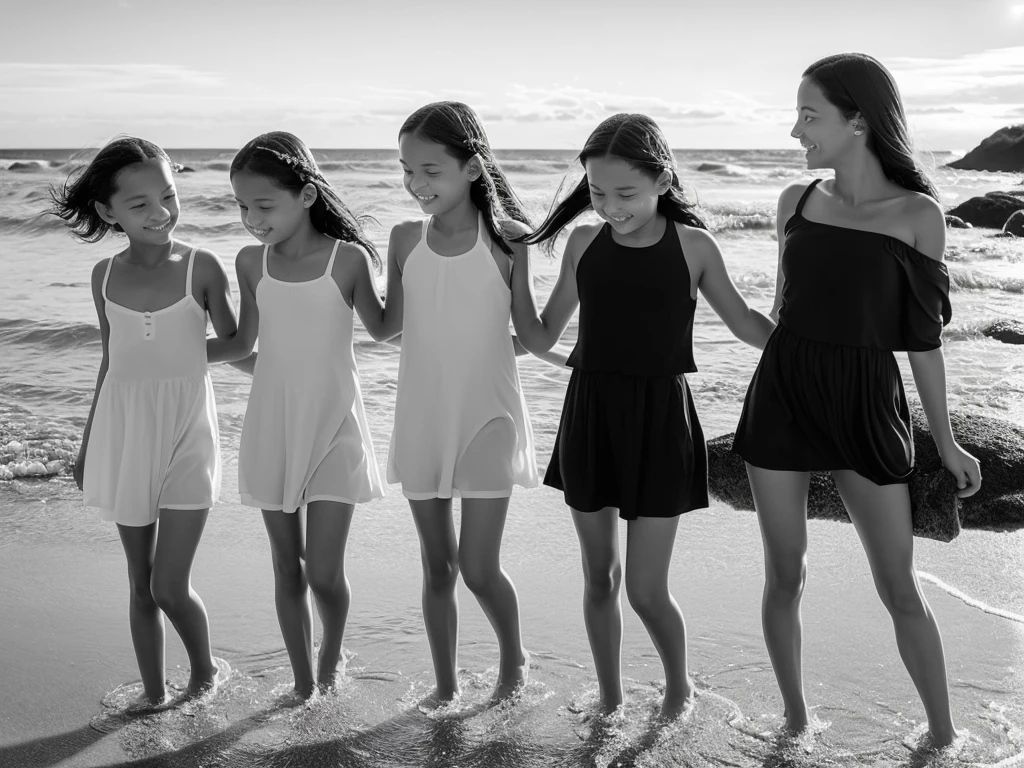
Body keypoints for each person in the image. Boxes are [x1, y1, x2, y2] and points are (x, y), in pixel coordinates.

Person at [732, 53, 981, 747]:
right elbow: (781, 316)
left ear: (859, 120)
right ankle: (796, 721)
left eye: (809, 115)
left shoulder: (917, 215)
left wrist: (947, 439)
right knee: (784, 572)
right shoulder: (796, 202)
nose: (795, 130)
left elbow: (922, 342)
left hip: (867, 402)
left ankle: (942, 734)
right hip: (783, 395)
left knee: (898, 583)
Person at [512, 113, 775, 720]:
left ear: (662, 178)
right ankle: (611, 699)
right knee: (599, 576)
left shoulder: (694, 246)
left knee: (646, 589)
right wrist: (519, 264)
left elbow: (748, 326)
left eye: (625, 193)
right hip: (590, 415)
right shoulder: (582, 243)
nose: (609, 207)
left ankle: (678, 689)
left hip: (662, 423)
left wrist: (818, 349)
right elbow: (538, 334)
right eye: (597, 193)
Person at [50, 136, 236, 710]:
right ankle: (154, 695)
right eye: (140, 205)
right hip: (124, 434)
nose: (161, 213)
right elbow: (110, 361)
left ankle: (204, 674)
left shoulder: (202, 266)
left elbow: (235, 343)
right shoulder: (103, 276)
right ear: (109, 212)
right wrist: (86, 445)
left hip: (188, 434)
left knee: (167, 583)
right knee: (139, 582)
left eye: (169, 196)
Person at [208, 131, 387, 701]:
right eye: (240, 206)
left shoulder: (348, 259)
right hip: (273, 426)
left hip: (337, 425)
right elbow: (241, 347)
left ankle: (330, 663)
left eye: (263, 205)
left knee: (322, 572)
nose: (251, 218)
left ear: (306, 195)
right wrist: (161, 354)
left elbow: (388, 328)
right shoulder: (250, 262)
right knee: (287, 566)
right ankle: (304, 683)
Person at [384, 101, 539, 706]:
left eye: (429, 171)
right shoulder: (403, 240)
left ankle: (513, 662)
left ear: (473, 167)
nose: (415, 184)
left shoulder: (510, 241)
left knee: (477, 567)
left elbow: (531, 333)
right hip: (420, 417)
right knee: (437, 567)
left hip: (489, 417)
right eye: (405, 170)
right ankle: (446, 686)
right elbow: (387, 327)